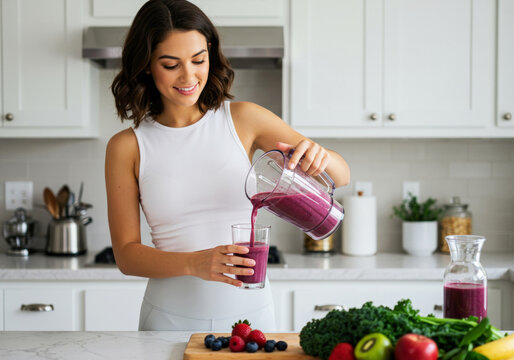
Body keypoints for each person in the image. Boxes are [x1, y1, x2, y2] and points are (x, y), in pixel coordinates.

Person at [105, 0, 350, 331]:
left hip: (252, 317)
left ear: (210, 54)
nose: (188, 75)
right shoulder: (127, 146)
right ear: (147, 65)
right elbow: (126, 256)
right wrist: (195, 262)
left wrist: (320, 156)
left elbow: (341, 175)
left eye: (198, 60)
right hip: (167, 318)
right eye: (170, 64)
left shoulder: (244, 118)